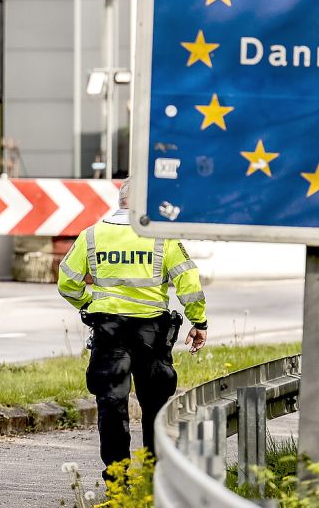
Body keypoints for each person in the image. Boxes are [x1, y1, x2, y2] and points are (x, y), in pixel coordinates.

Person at [56, 178, 208, 479]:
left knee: (111, 404)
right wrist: (198, 321)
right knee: (155, 405)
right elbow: (189, 284)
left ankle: (116, 477)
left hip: (109, 332)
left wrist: (91, 303)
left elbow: (67, 283)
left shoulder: (91, 235)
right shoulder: (162, 237)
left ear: (120, 200)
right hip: (152, 334)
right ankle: (154, 476)